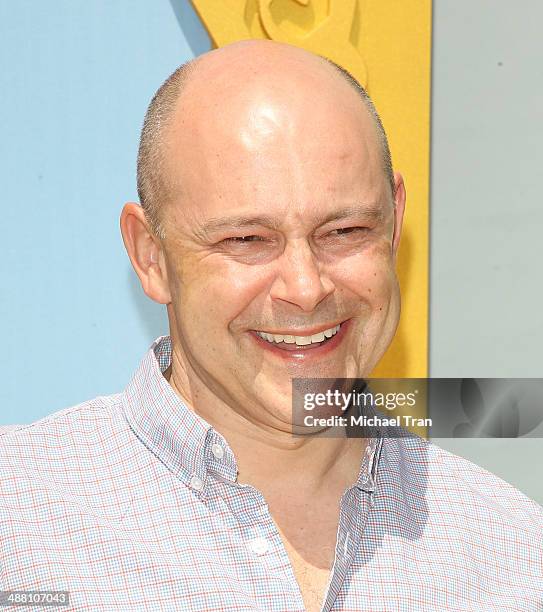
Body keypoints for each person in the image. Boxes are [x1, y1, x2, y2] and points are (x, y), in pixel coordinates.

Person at [0, 40, 541, 612]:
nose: (306, 288)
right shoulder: (18, 517)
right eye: (246, 241)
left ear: (395, 221)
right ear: (150, 256)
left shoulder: (509, 557)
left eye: (345, 231)